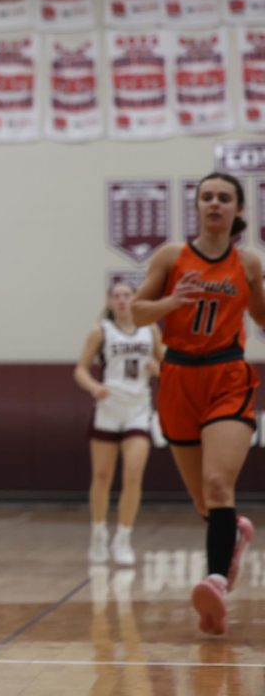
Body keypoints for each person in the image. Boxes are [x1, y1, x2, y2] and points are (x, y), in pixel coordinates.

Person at [131, 172, 261, 636]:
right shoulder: (172, 257)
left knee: (218, 484)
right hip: (178, 377)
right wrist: (171, 301)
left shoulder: (248, 264)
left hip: (228, 375)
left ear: (237, 210)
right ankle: (236, 538)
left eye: (224, 197)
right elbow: (134, 313)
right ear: (197, 206)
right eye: (206, 196)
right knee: (207, 502)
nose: (214, 203)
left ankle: (215, 583)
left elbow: (263, 316)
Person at [74, 281, 163, 566]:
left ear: (135, 299)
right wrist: (94, 387)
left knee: (134, 475)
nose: (122, 300)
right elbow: (80, 370)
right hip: (109, 407)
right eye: (117, 296)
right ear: (110, 302)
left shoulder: (151, 330)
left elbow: (168, 366)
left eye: (127, 295)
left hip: (138, 407)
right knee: (102, 476)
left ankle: (124, 537)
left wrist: (157, 369)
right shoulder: (101, 330)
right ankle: (99, 532)